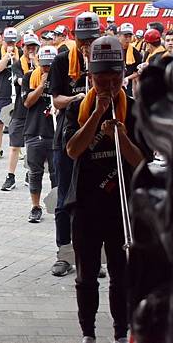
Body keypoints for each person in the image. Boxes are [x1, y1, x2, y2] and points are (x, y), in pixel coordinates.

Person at [63, 36, 150, 343]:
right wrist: (97, 116)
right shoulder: (79, 109)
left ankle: (119, 332)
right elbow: (73, 150)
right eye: (101, 81)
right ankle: (88, 332)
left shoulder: (136, 110)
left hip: (123, 206)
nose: (109, 88)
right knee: (86, 276)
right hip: (86, 204)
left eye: (115, 81)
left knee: (121, 275)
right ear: (91, 79)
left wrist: (122, 137)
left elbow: (142, 162)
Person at [48, 11, 101, 277]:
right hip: (67, 135)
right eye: (83, 40)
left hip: (98, 138)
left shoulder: (104, 58)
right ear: (74, 37)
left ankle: (91, 255)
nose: (87, 45)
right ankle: (64, 254)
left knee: (94, 198)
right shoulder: (60, 61)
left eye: (92, 39)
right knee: (64, 197)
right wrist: (77, 100)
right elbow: (56, 99)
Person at [21, 45, 58, 222]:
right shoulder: (30, 77)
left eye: (50, 65)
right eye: (44, 65)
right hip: (35, 131)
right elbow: (27, 103)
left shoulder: (62, 78)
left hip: (55, 132)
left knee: (56, 172)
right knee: (35, 172)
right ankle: (35, 207)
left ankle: (58, 204)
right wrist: (42, 86)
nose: (47, 69)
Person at [0, 33, 38, 190]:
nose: (31, 50)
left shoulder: (42, 64)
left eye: (33, 47)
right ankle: (11, 176)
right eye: (28, 47)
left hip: (36, 110)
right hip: (20, 110)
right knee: (15, 145)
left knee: (33, 144)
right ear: (22, 48)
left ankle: (31, 173)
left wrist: (37, 65)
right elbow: (22, 81)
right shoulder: (17, 64)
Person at [0, 26, 22, 161]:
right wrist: (6, 56)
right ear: (3, 40)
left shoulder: (20, 52)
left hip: (17, 92)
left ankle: (17, 149)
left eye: (12, 42)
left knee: (17, 122)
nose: (10, 44)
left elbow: (22, 69)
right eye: (8, 41)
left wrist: (15, 58)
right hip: (2, 91)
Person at [117, 23, 142, 97]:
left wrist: (127, 78)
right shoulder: (113, 49)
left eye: (130, 36)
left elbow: (138, 72)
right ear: (119, 35)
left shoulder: (135, 52)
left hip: (127, 83)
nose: (128, 39)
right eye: (125, 36)